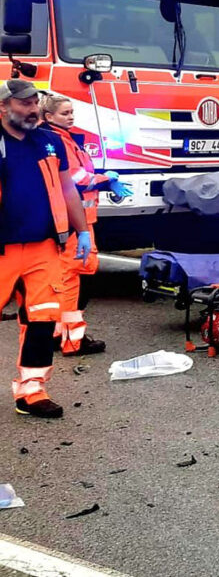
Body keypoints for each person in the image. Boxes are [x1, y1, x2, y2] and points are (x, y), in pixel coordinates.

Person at [0, 80, 91, 418]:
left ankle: (32, 391)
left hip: (43, 247)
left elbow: (67, 187)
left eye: (35, 102)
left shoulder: (49, 141)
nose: (33, 109)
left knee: (41, 320)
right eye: (24, 104)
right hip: (3, 248)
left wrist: (82, 231)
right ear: (4, 107)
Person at [40, 94, 133, 356]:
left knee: (73, 278)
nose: (70, 117)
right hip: (73, 223)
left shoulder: (63, 139)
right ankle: (72, 341)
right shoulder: (58, 141)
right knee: (72, 280)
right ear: (49, 117)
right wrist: (106, 179)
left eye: (71, 112)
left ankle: (60, 335)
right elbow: (76, 178)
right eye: (64, 113)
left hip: (77, 221)